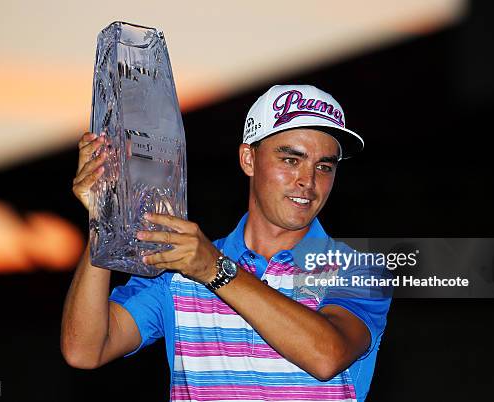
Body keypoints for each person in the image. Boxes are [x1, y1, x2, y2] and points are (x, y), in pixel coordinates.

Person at [61, 84, 392, 402]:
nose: (308, 181)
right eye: (291, 160)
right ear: (248, 159)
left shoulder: (359, 270)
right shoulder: (180, 267)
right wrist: (104, 220)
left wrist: (214, 270)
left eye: (324, 166)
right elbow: (85, 350)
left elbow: (326, 356)